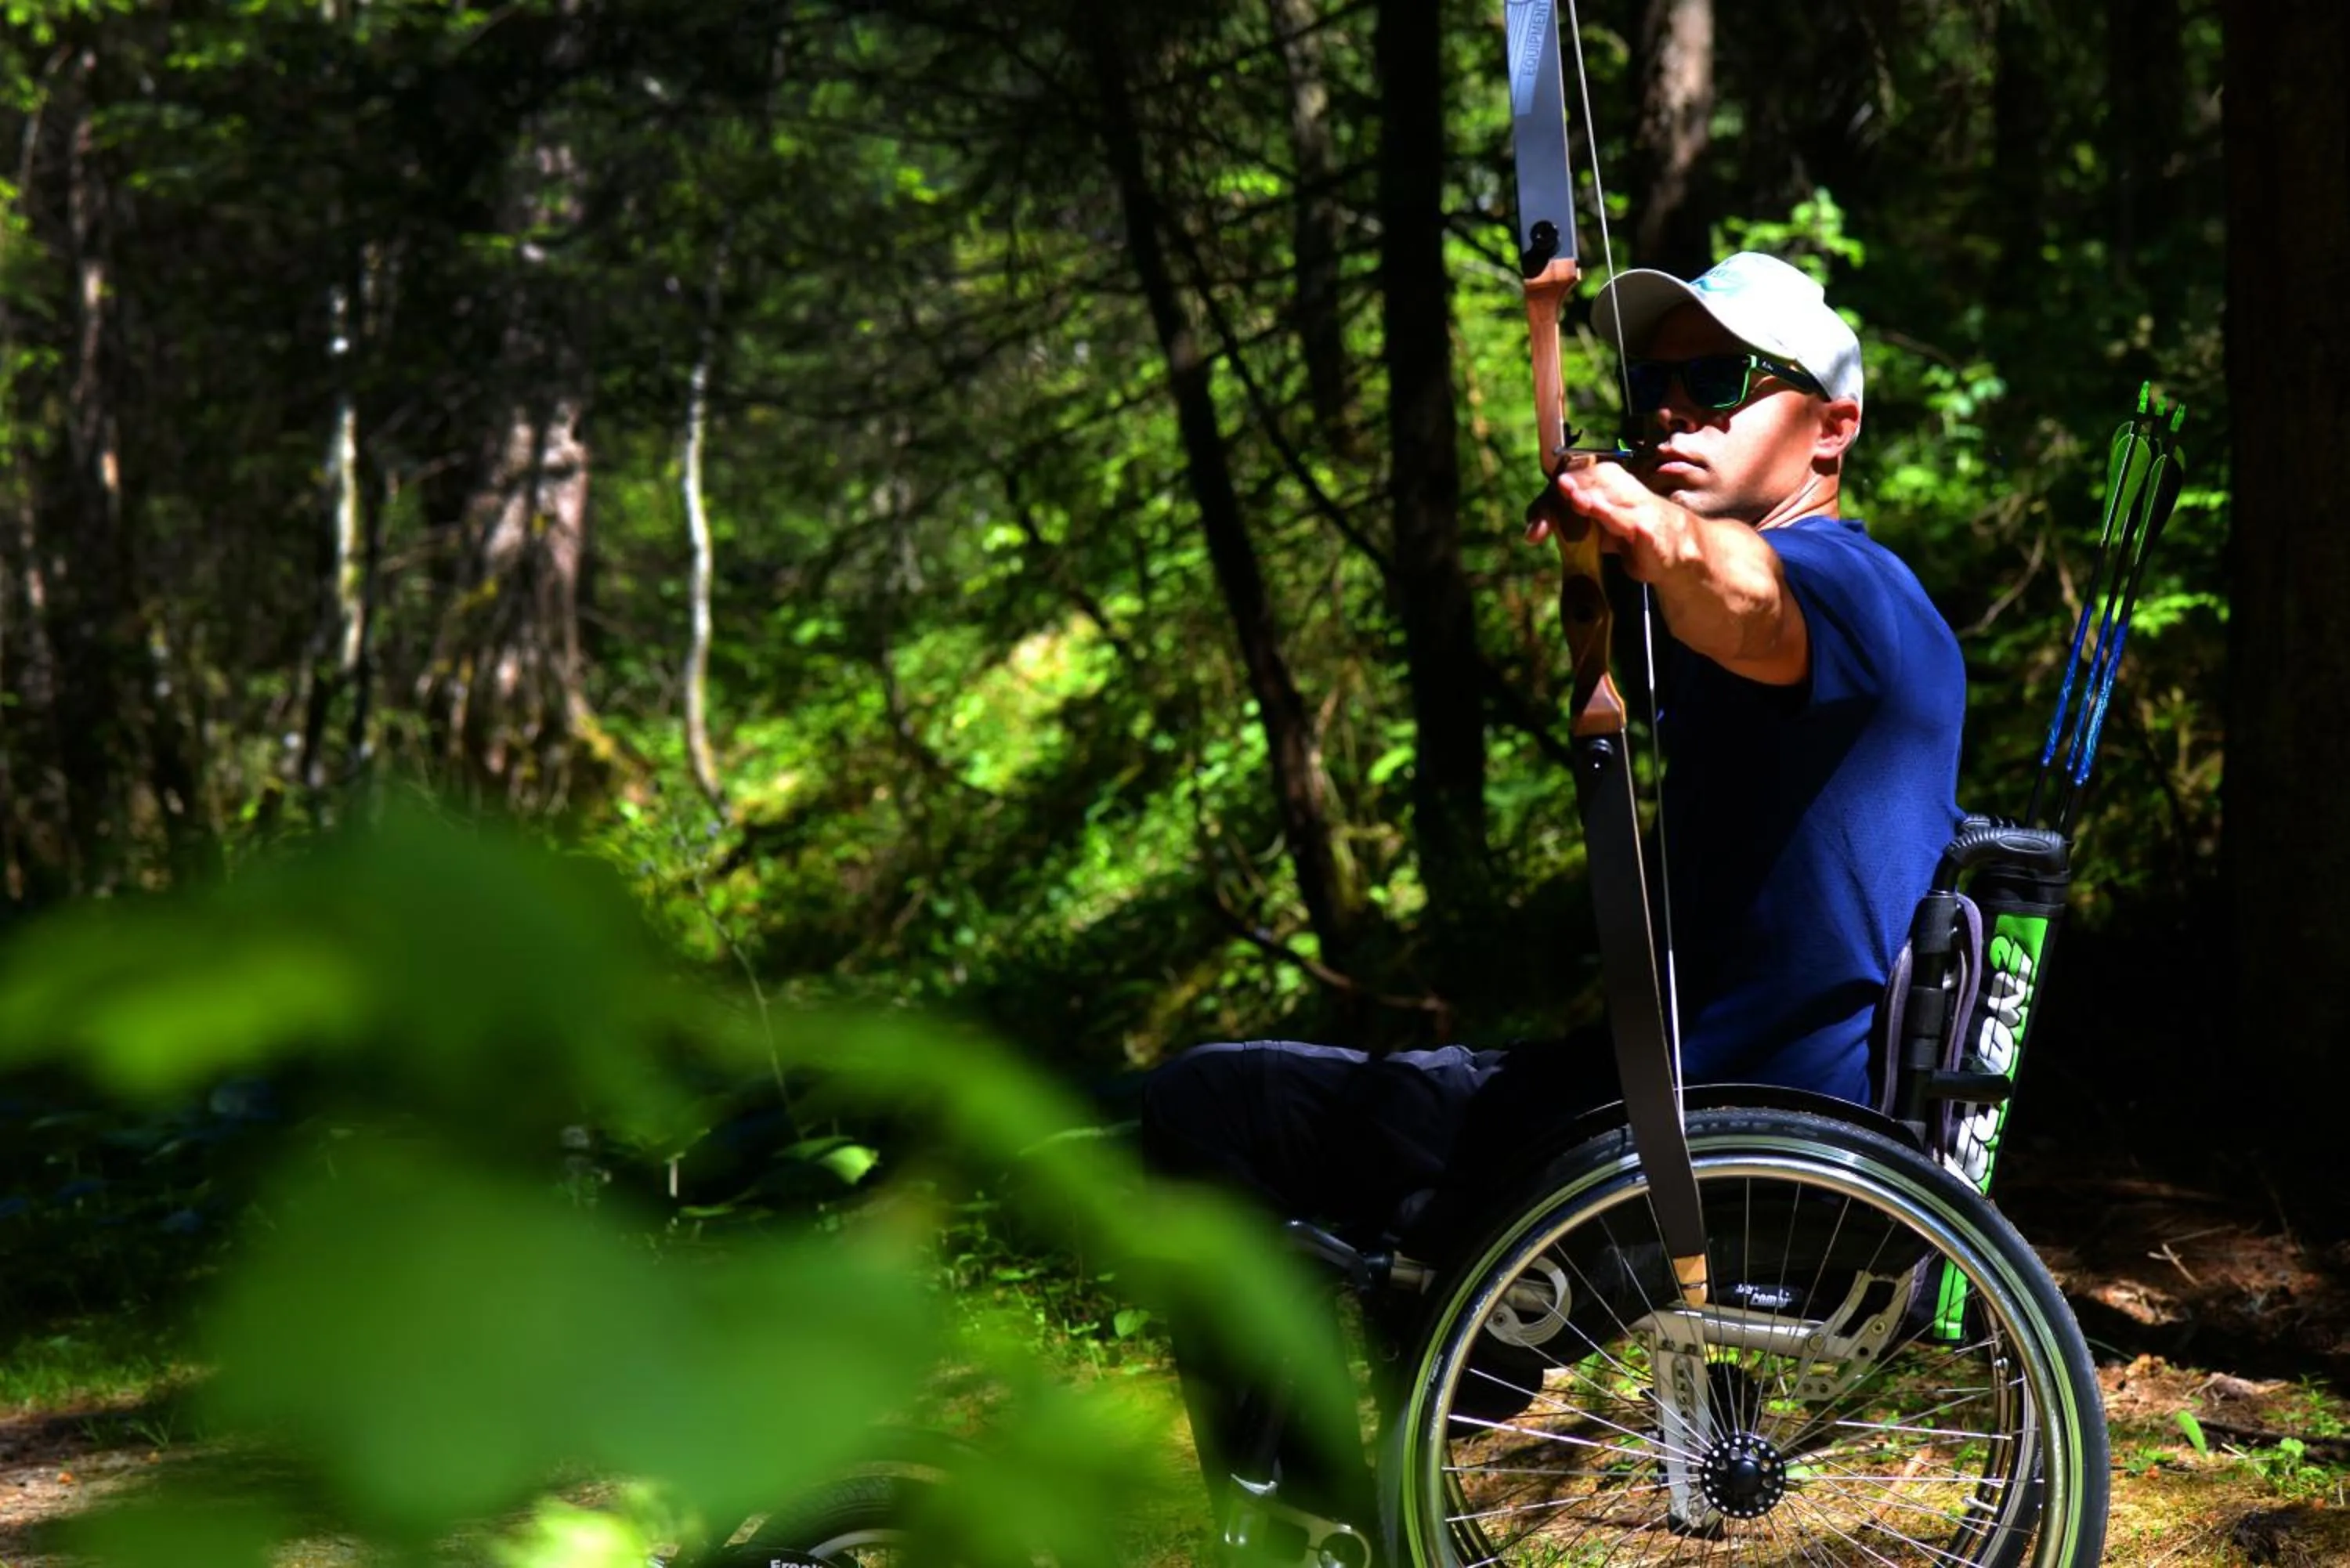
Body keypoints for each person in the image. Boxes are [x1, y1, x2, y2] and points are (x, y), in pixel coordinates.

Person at [1137, 251, 1969, 1544]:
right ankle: (1346, 1500)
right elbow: (1701, 603)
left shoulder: (1856, 593)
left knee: (1223, 1117)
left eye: (1723, 380)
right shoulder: (1757, 621)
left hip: (1716, 1148)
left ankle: (1312, 1528)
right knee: (1235, 1116)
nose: (1678, 411)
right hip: (1655, 1111)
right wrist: (1594, 484)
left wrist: (1650, 529)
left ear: (1834, 425)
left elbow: (1735, 587)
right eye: (1661, 386)